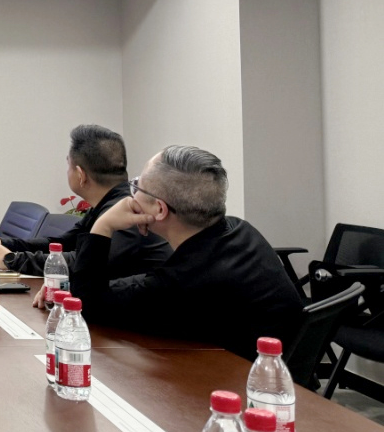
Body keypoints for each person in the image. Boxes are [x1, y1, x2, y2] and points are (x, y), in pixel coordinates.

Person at [70, 145, 303, 359]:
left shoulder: (185, 282)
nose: (132, 194)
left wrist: (103, 225)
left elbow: (87, 305)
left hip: (237, 383)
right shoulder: (239, 230)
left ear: (159, 209)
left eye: (137, 185)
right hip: (270, 369)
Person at [0, 125, 171, 294]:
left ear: (80, 175)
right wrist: (5, 244)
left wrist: (11, 259)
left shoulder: (128, 213)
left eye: (68, 165)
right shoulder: (109, 202)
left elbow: (79, 263)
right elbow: (62, 244)